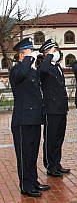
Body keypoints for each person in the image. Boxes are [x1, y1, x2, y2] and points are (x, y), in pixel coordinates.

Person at [9, 38, 50, 197]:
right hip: (22, 121)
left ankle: (33, 182)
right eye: (29, 51)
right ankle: (26, 186)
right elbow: (20, 75)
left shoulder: (31, 71)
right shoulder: (16, 70)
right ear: (21, 55)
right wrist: (27, 58)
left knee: (32, 154)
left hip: (33, 119)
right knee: (24, 155)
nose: (32, 54)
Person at [39, 39, 70, 177]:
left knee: (59, 138)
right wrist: (49, 56)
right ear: (46, 53)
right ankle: (50, 166)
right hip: (51, 109)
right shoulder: (44, 67)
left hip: (61, 108)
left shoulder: (57, 67)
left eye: (56, 50)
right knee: (50, 138)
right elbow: (42, 70)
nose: (56, 53)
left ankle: (57, 163)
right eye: (53, 50)